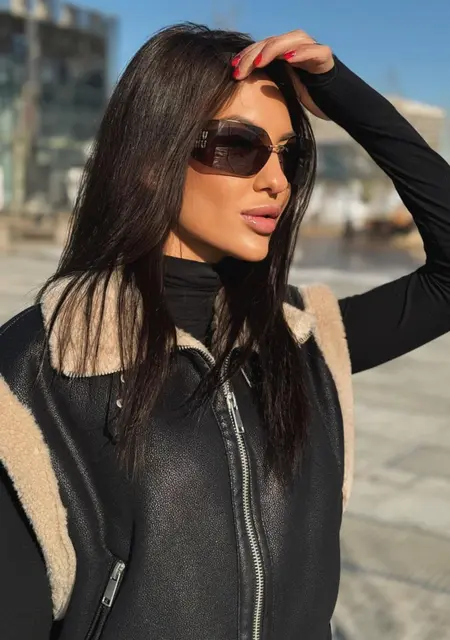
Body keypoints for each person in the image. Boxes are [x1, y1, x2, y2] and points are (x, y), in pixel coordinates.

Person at [0, 23, 449, 640]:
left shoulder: (301, 338)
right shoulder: (43, 367)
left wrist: (343, 95)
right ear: (151, 162)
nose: (277, 181)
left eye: (289, 153)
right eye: (239, 146)